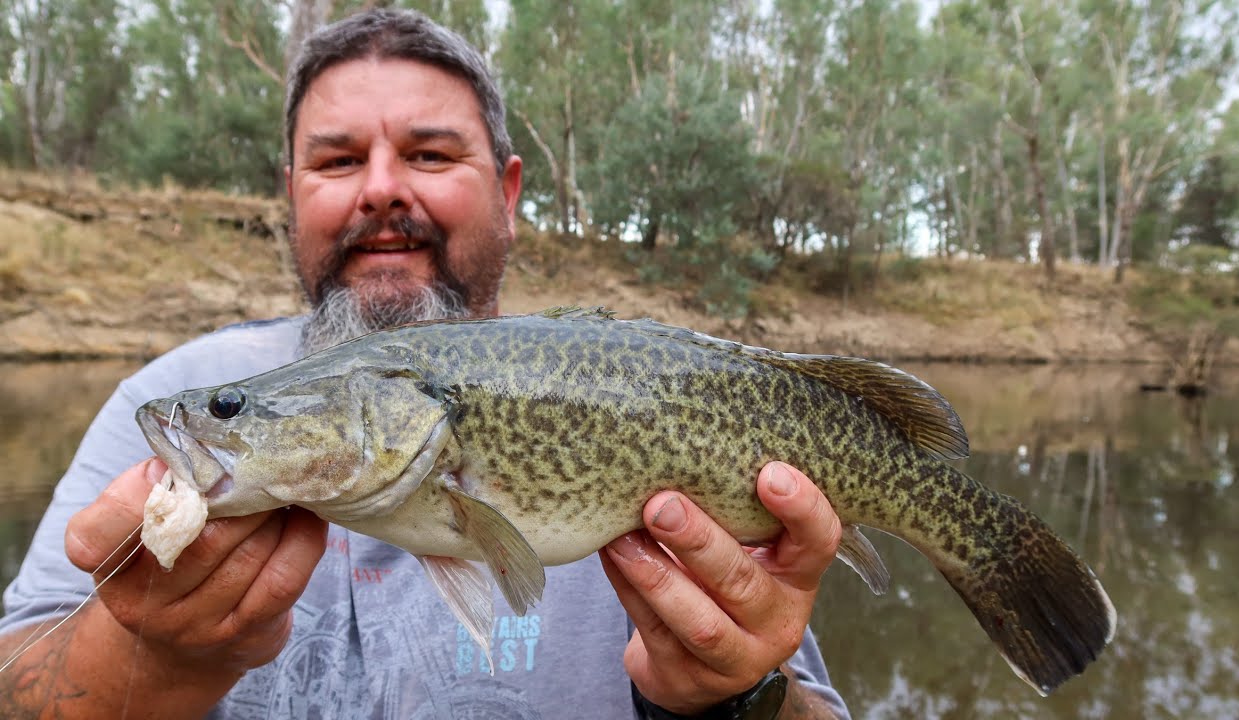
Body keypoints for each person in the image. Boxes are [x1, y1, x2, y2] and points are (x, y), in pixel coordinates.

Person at [0, 9, 852, 719]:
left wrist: (735, 696)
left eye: (432, 154)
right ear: (291, 189)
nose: (380, 190)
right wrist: (152, 655)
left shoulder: (641, 388)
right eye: (337, 160)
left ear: (509, 193)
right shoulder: (155, 397)